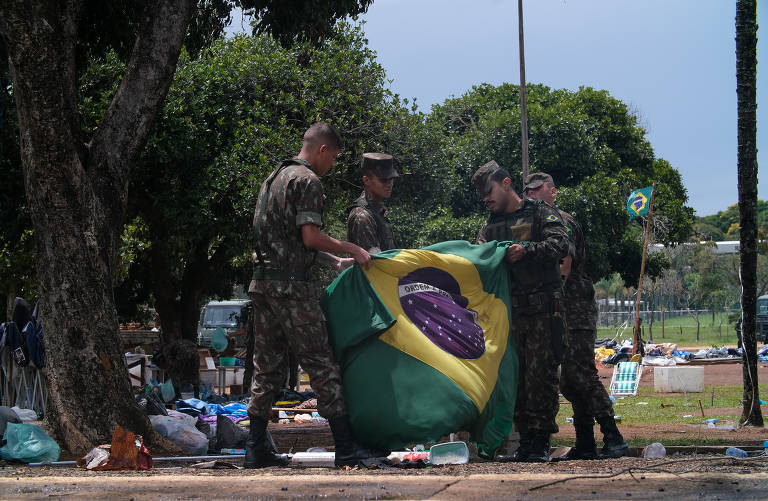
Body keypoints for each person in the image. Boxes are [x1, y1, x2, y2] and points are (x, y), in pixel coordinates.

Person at [246, 122, 383, 468]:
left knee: (266, 368)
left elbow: (285, 240)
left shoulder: (273, 179)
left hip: (262, 286)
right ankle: (346, 448)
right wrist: (351, 247)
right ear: (322, 149)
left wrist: (332, 258)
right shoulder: (307, 181)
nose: (332, 166)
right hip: (292, 290)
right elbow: (309, 236)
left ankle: (255, 448)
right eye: (333, 158)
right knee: (322, 363)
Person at [523, 172, 628, 460]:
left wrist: (554, 307)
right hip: (562, 304)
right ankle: (586, 442)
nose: (532, 195)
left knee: (580, 373)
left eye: (538, 190)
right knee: (570, 379)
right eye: (528, 191)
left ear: (553, 192)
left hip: (573, 304)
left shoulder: (560, 221)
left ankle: (613, 436)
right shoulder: (536, 222)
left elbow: (564, 267)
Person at [473, 161, 570, 463]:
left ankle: (540, 442)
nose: (485, 200)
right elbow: (478, 256)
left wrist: (526, 251)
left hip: (543, 310)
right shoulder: (488, 226)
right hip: (509, 315)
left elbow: (560, 245)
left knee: (540, 376)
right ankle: (525, 442)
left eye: (488, 192)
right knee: (515, 379)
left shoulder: (541, 212)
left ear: (506, 183)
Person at [346, 152, 398, 253]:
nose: (389, 184)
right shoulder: (362, 216)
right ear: (366, 180)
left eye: (391, 179)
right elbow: (374, 262)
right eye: (383, 180)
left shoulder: (378, 210)